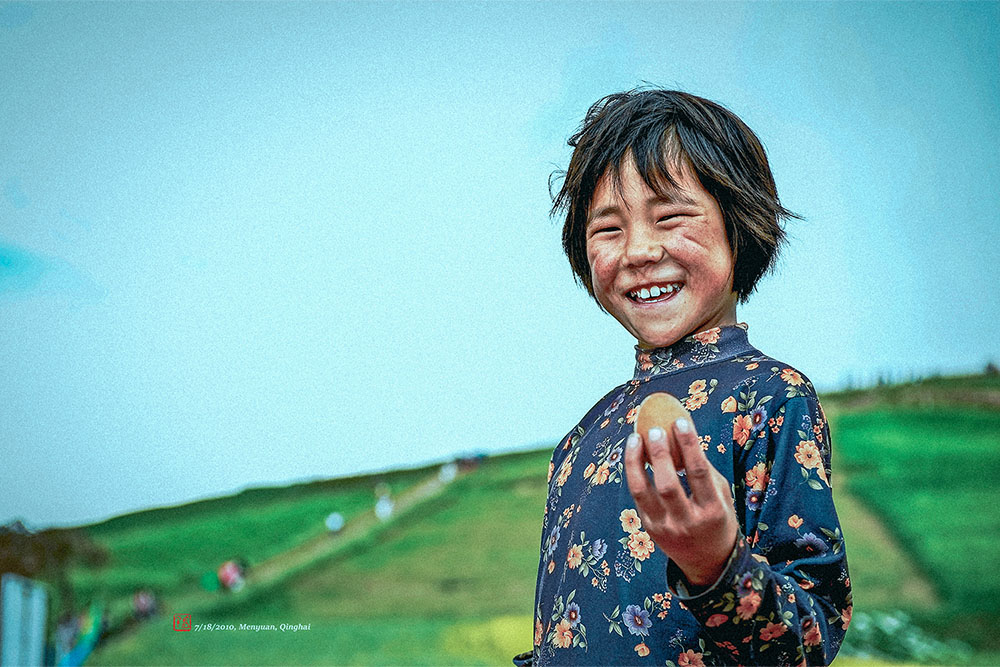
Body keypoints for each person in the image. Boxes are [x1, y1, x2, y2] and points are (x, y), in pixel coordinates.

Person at [521, 89, 851, 666]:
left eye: (669, 217)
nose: (640, 250)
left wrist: (716, 564)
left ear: (739, 223)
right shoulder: (579, 442)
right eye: (608, 229)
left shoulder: (770, 397)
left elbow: (811, 640)